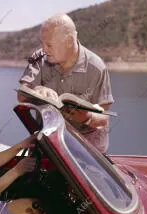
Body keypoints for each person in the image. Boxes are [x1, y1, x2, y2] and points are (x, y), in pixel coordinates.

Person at [18, 13, 115, 154]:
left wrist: (88, 118)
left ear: (69, 41)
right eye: (42, 43)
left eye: (49, 45)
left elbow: (104, 116)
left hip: (88, 154)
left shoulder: (96, 67)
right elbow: (21, 95)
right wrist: (37, 89)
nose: (44, 49)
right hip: (49, 146)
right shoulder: (39, 59)